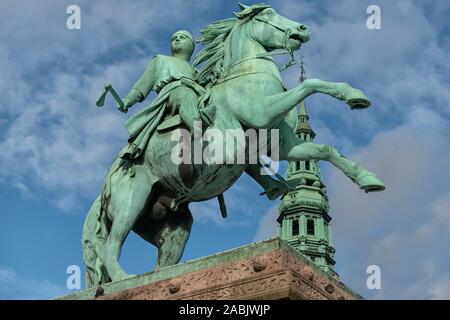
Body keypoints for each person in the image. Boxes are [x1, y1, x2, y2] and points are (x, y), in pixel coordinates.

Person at [118, 30, 207, 161]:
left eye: (182, 37)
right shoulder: (160, 60)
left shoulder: (196, 71)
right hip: (173, 93)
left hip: (196, 94)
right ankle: (198, 134)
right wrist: (128, 100)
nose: (176, 39)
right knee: (186, 94)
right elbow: (143, 83)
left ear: (192, 46)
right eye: (174, 38)